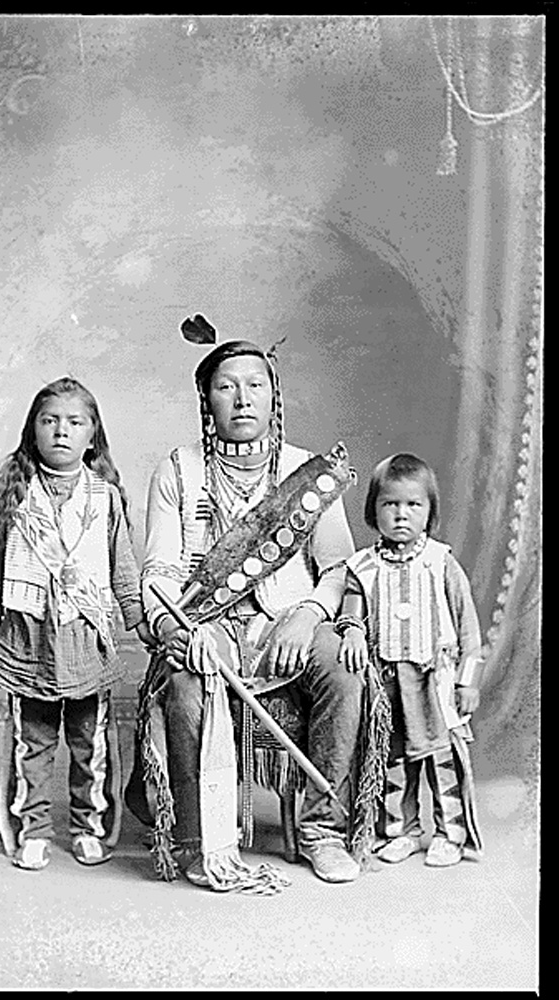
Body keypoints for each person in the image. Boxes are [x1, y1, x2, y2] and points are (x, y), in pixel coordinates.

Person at [127, 318, 390, 892]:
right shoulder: (177, 469)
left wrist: (310, 614)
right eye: (227, 385)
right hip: (207, 623)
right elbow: (159, 568)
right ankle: (200, 840)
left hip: (289, 623)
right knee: (185, 681)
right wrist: (176, 624)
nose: (242, 398)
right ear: (206, 398)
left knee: (343, 667)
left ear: (275, 396)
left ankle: (322, 829)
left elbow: (338, 566)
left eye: (255, 384)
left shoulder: (307, 472)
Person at [0, 377, 153, 871]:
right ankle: (32, 828)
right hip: (29, 635)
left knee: (90, 742)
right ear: (32, 430)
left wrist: (139, 622)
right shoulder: (10, 494)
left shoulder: (105, 497)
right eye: (49, 421)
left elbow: (123, 569)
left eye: (75, 423)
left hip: (85, 637)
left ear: (92, 435)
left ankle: (89, 826)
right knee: (30, 741)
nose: (61, 431)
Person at [331, 453, 484, 867]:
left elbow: (470, 631)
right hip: (386, 685)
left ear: (429, 511)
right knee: (393, 760)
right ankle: (403, 831)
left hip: (435, 683)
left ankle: (450, 835)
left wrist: (468, 682)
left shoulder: (441, 563)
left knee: (440, 759)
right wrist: (354, 630)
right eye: (390, 504)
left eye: (413, 505)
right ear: (373, 510)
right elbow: (350, 612)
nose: (401, 514)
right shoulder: (362, 568)